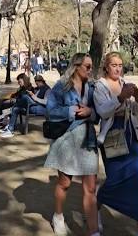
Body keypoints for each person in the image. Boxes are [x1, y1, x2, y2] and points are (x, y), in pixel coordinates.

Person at [94, 52, 138, 236]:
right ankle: (96, 203)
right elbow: (102, 112)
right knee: (116, 178)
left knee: (137, 177)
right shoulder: (99, 86)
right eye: (114, 65)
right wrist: (119, 98)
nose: (118, 68)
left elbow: (137, 110)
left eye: (120, 65)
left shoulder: (124, 82)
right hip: (113, 135)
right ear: (106, 66)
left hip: (132, 134)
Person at [44, 53, 99, 236]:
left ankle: (93, 230)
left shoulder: (92, 87)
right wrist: (71, 110)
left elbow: (98, 114)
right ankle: (58, 216)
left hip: (88, 139)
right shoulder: (61, 87)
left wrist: (91, 111)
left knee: (91, 187)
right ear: (76, 66)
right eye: (87, 67)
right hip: (66, 139)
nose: (90, 70)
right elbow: (51, 112)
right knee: (65, 183)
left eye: (91, 67)